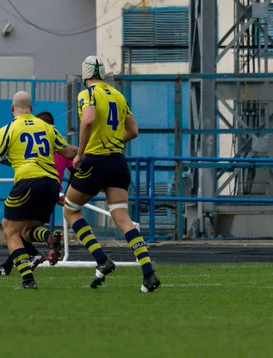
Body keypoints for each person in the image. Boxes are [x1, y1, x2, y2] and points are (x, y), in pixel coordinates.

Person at [0, 91, 78, 289]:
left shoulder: (8, 129)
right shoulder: (47, 128)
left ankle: (28, 280)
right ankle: (48, 236)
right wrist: (87, 150)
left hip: (27, 182)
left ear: (12, 109)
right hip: (51, 184)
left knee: (10, 231)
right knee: (26, 231)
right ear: (31, 109)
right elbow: (68, 151)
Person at [63, 55, 160, 293]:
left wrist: (80, 154)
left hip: (94, 162)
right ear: (104, 74)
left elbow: (88, 120)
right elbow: (133, 131)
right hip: (117, 162)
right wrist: (113, 141)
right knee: (122, 218)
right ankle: (148, 273)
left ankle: (101, 259)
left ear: (85, 75)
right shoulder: (118, 95)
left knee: (70, 209)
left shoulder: (87, 94)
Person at [0, 111, 75, 276]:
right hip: (52, 189)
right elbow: (75, 168)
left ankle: (30, 262)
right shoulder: (60, 145)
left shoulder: (32, 140)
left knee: (11, 228)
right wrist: (68, 193)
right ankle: (37, 247)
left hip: (31, 184)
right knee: (24, 231)